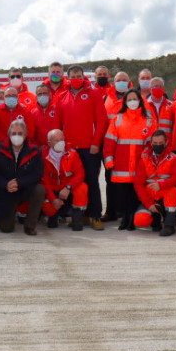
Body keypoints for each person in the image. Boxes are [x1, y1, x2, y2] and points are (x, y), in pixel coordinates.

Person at [55, 65, 108, 230]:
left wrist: (96, 143)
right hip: (69, 150)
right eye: (73, 76)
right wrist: (59, 146)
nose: (76, 78)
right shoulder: (61, 96)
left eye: (79, 75)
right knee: (73, 182)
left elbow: (101, 121)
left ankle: (95, 216)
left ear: (83, 77)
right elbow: (58, 124)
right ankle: (79, 214)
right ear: (68, 78)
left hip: (89, 148)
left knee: (91, 182)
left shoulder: (94, 94)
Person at [103, 89, 155, 230]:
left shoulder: (149, 121)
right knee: (122, 195)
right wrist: (109, 161)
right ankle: (124, 218)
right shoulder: (117, 119)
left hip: (140, 165)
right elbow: (109, 142)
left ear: (140, 101)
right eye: (129, 99)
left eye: (135, 99)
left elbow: (152, 144)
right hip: (121, 165)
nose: (132, 102)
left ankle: (131, 219)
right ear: (125, 102)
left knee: (134, 195)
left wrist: (148, 163)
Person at [0, 120, 47, 235]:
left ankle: (30, 226)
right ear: (9, 134)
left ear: (25, 134)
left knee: (40, 189)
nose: (17, 136)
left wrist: (19, 182)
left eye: (20, 133)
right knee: (6, 228)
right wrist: (5, 184)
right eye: (14, 133)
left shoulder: (34, 151)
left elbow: (37, 173)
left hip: (25, 188)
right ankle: (5, 216)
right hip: (6, 191)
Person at [132, 129, 176, 236]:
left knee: (173, 191)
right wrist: (149, 204)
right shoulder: (144, 159)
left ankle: (169, 224)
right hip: (149, 195)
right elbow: (138, 184)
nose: (157, 145)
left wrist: (161, 185)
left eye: (160, 143)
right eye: (155, 143)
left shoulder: (173, 158)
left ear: (166, 142)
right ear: (151, 143)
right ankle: (155, 218)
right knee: (140, 220)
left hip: (165, 193)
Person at [38, 129, 88, 231]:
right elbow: (44, 180)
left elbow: (80, 174)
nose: (60, 142)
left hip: (68, 188)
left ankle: (77, 219)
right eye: (56, 140)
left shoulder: (72, 153)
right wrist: (53, 199)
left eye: (62, 139)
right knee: (40, 190)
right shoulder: (43, 156)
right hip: (52, 190)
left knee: (82, 187)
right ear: (49, 143)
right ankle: (52, 216)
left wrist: (68, 187)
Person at [30, 84, 60, 149]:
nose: (42, 96)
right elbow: (32, 134)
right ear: (36, 96)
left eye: (44, 93)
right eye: (39, 94)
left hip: (57, 149)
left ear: (50, 95)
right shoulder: (32, 113)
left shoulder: (58, 109)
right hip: (40, 150)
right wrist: (37, 147)